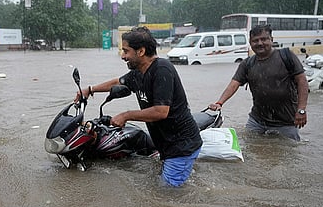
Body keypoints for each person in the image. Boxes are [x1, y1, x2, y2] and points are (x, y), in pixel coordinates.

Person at [77, 26, 202, 186]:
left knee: (166, 196)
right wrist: (90, 89)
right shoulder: (138, 73)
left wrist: (126, 115)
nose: (123, 56)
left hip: (181, 146)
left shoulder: (162, 70)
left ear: (141, 51)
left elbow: (161, 111)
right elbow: (117, 82)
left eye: (126, 51)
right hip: (166, 144)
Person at [208, 24, 309, 141]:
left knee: (290, 154)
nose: (260, 43)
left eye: (264, 39)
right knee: (251, 151)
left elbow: (302, 82)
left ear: (272, 40)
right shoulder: (247, 64)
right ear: (250, 43)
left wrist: (301, 110)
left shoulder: (286, 56)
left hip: (286, 123)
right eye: (255, 41)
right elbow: (233, 84)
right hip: (257, 121)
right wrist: (220, 102)